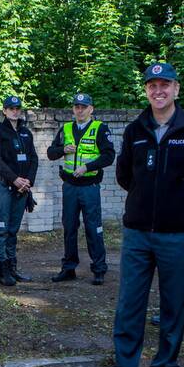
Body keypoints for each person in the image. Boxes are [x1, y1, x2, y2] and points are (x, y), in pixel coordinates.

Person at [96, 62, 184, 367]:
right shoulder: (135, 129)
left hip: (178, 235)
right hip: (138, 233)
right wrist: (145, 198)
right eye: (152, 85)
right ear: (146, 91)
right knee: (129, 306)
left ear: (177, 89)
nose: (158, 91)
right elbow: (124, 175)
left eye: (165, 85)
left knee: (173, 307)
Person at [47, 93, 116, 285]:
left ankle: (99, 269)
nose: (80, 110)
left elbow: (109, 156)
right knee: (69, 228)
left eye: (83, 107)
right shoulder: (66, 129)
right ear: (73, 109)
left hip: (89, 186)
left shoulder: (100, 129)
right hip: (69, 187)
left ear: (91, 109)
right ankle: (69, 268)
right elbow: (50, 153)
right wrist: (62, 150)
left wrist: (87, 167)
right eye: (77, 107)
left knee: (94, 228)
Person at [0, 95, 39, 286]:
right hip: (4, 187)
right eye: (11, 108)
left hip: (22, 189)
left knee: (13, 231)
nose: (15, 111)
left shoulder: (26, 133)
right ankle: (3, 270)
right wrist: (15, 179)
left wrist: (28, 182)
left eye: (17, 108)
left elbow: (34, 159)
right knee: (1, 229)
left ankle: (13, 268)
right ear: (4, 111)